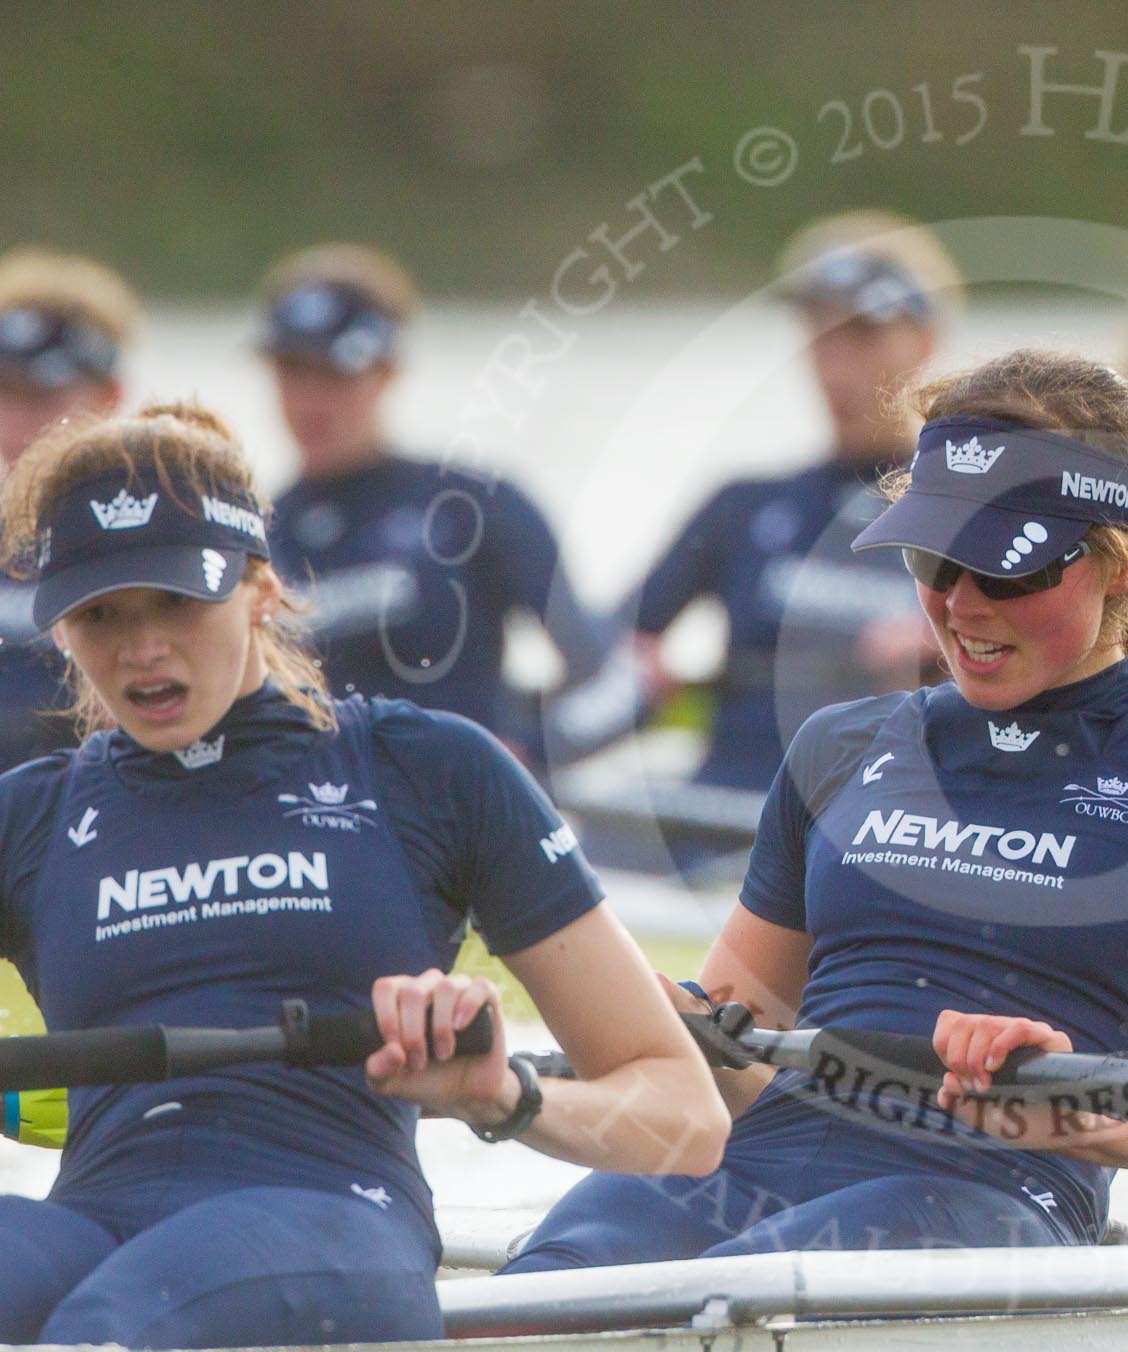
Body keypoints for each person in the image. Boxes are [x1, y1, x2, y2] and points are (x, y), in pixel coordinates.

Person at [503, 349, 1128, 1271]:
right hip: (747, 1161)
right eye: (935, 559)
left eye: (1007, 572)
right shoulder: (841, 747)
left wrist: (1088, 1122)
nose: (959, 606)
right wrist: (597, 1043)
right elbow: (728, 1054)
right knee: (520, 1308)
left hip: (990, 1191)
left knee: (727, 1308)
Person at [0, 403, 727, 1346]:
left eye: (179, 601)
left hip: (332, 1217)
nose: (142, 649)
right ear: (58, 630)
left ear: (261, 587)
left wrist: (504, 1098)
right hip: (93, 1214)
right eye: (101, 614)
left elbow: (683, 1113)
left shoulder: (428, 770)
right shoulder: (31, 814)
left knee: (112, 1323)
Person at [613, 211, 960, 806]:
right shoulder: (743, 507)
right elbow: (610, 646)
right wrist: (629, 668)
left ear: (925, 342)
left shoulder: (977, 516)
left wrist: (958, 647)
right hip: (724, 809)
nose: (837, 363)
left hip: (885, 827)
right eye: (820, 332)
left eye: (862, 333)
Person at [260, 243, 611, 769]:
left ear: (388, 372)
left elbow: (606, 675)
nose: (310, 401)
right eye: (293, 374)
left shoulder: (471, 506)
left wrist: (529, 755)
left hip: (459, 819)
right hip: (319, 824)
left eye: (334, 376)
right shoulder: (252, 532)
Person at [0, 248, 139, 771]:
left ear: (111, 393)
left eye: (43, 394)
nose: (20, 420)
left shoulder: (158, 537)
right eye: (6, 392)